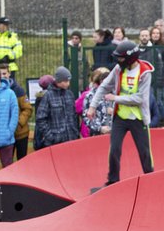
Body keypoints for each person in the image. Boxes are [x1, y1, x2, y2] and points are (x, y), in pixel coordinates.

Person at [88, 41, 155, 183]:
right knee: (114, 150)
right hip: (120, 117)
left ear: (130, 58)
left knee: (144, 152)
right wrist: (92, 106)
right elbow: (104, 86)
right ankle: (113, 180)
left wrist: (116, 98)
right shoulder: (119, 69)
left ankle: (150, 177)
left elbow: (140, 98)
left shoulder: (144, 72)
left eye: (121, 58)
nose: (118, 61)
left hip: (138, 118)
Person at [36, 67, 80, 148]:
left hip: (71, 138)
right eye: (65, 81)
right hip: (55, 141)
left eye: (69, 81)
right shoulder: (48, 96)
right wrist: (50, 136)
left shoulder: (70, 94)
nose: (68, 84)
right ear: (58, 81)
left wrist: (75, 132)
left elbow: (74, 116)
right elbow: (40, 118)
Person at [0, 62, 33, 159]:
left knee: (22, 160)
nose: (3, 76)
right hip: (5, 134)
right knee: (7, 161)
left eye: (5, 73)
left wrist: (18, 123)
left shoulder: (19, 90)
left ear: (9, 74)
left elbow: (28, 108)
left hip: (20, 133)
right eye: (0, 74)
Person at [81, 67, 113, 137]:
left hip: (115, 134)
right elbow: (86, 117)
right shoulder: (90, 96)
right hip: (97, 135)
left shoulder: (116, 94)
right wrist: (100, 128)